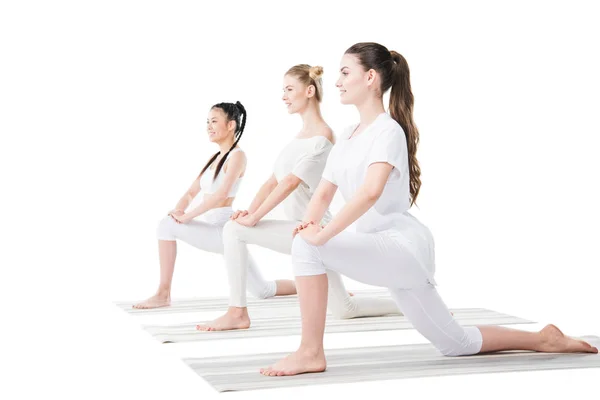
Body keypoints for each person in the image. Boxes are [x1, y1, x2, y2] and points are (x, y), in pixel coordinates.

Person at [260, 42, 598, 376]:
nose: (336, 82)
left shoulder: (388, 131)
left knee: (306, 247)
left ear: (371, 78)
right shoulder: (347, 135)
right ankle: (543, 339)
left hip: (398, 248)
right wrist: (308, 225)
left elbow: (369, 192)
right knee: (456, 343)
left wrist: (319, 236)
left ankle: (310, 353)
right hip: (379, 252)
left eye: (345, 72)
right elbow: (320, 195)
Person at [196, 64, 400, 331]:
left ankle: (237, 313)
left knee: (233, 231)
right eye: (284, 90)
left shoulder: (324, 137)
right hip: (299, 231)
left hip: (314, 231)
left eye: (290, 89)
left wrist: (255, 217)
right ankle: (404, 306)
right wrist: (249, 211)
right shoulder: (298, 138)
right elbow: (273, 181)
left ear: (310, 91)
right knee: (345, 309)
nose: (284, 96)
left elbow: (291, 182)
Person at [133, 101, 255, 309]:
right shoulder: (214, 158)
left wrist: (187, 217)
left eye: (214, 121)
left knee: (166, 226)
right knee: (263, 289)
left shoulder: (238, 156)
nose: (209, 126)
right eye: (207, 122)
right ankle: (302, 285)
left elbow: (220, 195)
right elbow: (191, 192)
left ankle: (163, 295)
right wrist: (179, 209)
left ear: (231, 125)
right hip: (215, 230)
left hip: (225, 231)